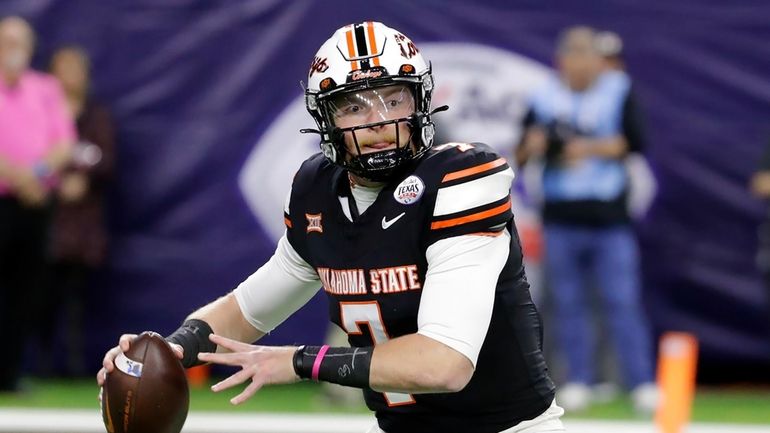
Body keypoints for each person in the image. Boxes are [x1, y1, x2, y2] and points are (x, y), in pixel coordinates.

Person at [97, 22, 564, 433]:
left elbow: (444, 365)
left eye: (393, 98)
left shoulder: (462, 179)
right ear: (326, 119)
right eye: (353, 106)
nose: (378, 121)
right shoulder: (316, 191)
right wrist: (166, 352)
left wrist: (300, 362)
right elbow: (249, 308)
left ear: (421, 102)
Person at [516, 26, 657, 413]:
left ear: (598, 61)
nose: (580, 65)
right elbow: (522, 148)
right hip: (560, 216)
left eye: (587, 57)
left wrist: (585, 147)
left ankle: (641, 381)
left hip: (610, 216)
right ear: (561, 60)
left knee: (621, 300)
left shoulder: (617, 89)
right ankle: (578, 378)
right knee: (567, 302)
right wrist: (538, 144)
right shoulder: (544, 93)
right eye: (573, 57)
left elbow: (635, 141)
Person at [0, 16, 74, 392]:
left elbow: (63, 143)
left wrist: (36, 173)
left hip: (35, 207)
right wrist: (18, 176)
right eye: (7, 41)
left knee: (25, 291)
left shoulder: (45, 89)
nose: (14, 49)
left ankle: (9, 374)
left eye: (20, 42)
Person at [37, 46, 115, 376]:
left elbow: (105, 161)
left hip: (83, 227)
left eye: (75, 69)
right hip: (42, 220)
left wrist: (84, 180)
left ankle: (74, 366)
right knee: (40, 296)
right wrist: (52, 182)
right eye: (63, 69)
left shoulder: (96, 117)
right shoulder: (37, 114)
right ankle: (36, 365)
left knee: (77, 299)